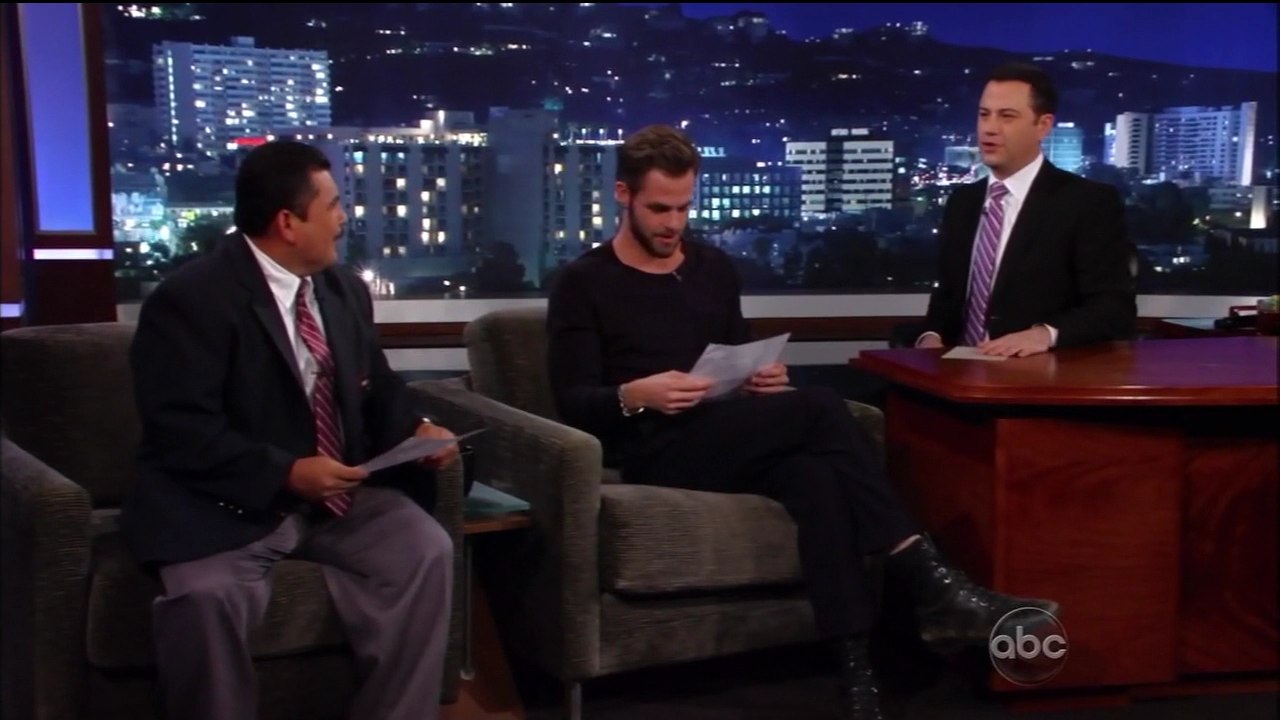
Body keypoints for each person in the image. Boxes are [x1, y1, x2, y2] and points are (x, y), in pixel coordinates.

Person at [546, 125, 1059, 720]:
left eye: (684, 208)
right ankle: (927, 577)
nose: (673, 224)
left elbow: (731, 354)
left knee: (818, 479)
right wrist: (635, 394)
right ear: (623, 195)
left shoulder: (713, 269)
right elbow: (572, 401)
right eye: (659, 209)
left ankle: (857, 682)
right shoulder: (584, 282)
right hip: (652, 445)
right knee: (820, 408)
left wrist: (758, 378)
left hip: (726, 430)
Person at [121, 140, 456, 720]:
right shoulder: (193, 300)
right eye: (333, 205)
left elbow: (376, 385)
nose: (344, 218)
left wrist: (419, 430)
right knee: (205, 599)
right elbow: (180, 429)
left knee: (425, 550)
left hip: (340, 498)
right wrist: (287, 472)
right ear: (288, 222)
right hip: (226, 504)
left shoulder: (342, 289)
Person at [917, 62, 1137, 356]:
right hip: (956, 369)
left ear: (1043, 125)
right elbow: (947, 295)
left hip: (1036, 372)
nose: (990, 128)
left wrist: (1044, 334)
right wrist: (930, 337)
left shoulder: (1087, 202)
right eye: (984, 115)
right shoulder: (963, 202)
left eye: (1007, 116)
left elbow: (1114, 308)